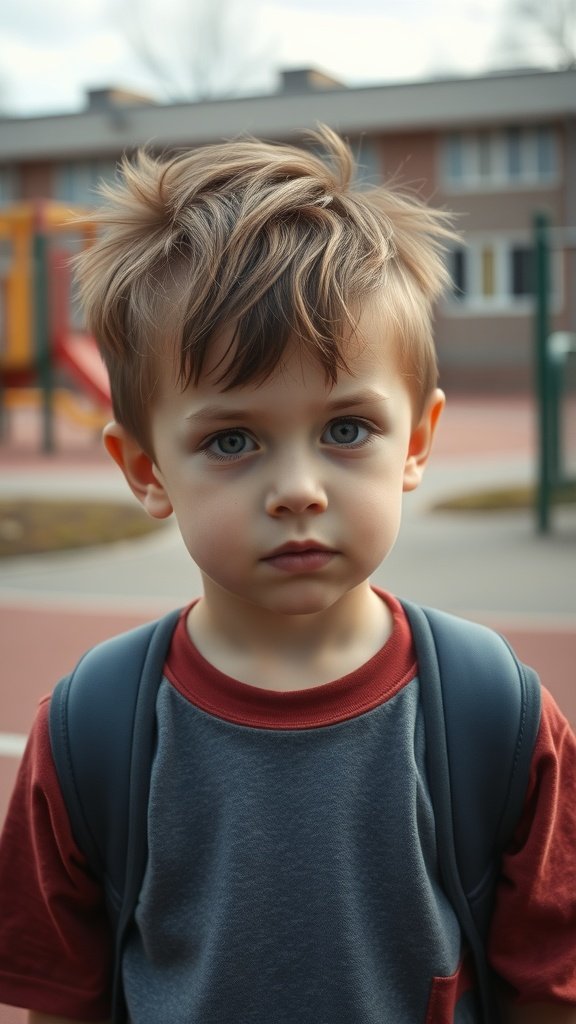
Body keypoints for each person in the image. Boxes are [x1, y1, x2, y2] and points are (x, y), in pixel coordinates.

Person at [0, 126, 574, 1024]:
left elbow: (552, 988)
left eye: (347, 428)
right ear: (147, 470)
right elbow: (57, 1001)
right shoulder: (90, 731)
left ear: (415, 443)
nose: (299, 490)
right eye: (232, 440)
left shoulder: (495, 712)